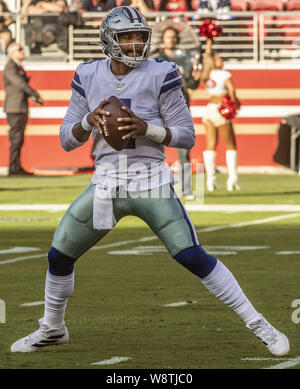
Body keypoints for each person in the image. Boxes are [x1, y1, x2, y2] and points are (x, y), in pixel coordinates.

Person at [10, 6, 289, 357]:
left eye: (140, 36)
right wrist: (87, 122)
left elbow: (186, 136)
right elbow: (67, 139)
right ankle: (52, 328)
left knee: (192, 256)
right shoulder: (87, 74)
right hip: (107, 183)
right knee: (59, 255)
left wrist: (147, 128)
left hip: (150, 180)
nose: (135, 43)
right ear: (108, 40)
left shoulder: (162, 72)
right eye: (127, 37)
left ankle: (259, 324)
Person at [154, 26, 202, 199]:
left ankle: (187, 188)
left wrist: (195, 79)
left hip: (180, 109)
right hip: (159, 108)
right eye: (168, 36)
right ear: (163, 39)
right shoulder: (158, 60)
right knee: (151, 148)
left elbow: (190, 85)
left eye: (174, 36)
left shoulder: (185, 59)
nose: (171, 39)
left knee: (184, 149)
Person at [201, 37, 241, 192]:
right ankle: (233, 180)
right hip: (221, 110)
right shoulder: (225, 74)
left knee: (210, 145)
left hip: (209, 109)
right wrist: (235, 103)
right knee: (231, 145)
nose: (222, 61)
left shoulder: (207, 73)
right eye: (219, 58)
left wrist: (209, 43)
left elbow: (207, 56)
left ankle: (210, 181)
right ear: (215, 61)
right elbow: (232, 91)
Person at [3, 41, 43, 176]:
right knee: (16, 139)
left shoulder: (16, 67)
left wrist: (33, 96)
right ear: (12, 53)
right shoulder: (10, 67)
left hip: (19, 107)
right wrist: (34, 93)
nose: (22, 51)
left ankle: (16, 166)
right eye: (19, 49)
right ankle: (13, 168)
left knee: (18, 139)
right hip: (15, 108)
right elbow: (20, 84)